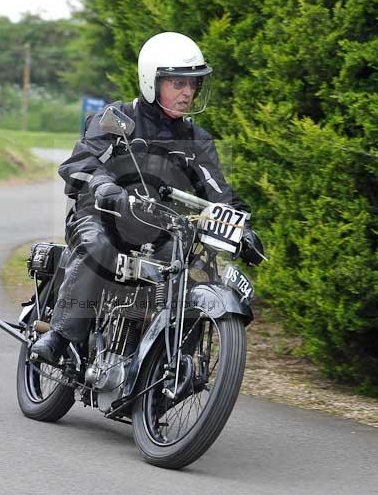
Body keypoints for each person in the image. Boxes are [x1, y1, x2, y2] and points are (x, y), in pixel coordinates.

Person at [31, 31, 264, 364]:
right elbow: (79, 164)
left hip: (159, 231)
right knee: (99, 246)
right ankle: (61, 335)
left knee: (193, 269)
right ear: (151, 81)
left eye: (193, 84)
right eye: (177, 83)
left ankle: (162, 366)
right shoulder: (117, 119)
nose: (188, 92)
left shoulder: (197, 140)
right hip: (100, 217)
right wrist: (105, 187)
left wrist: (241, 227)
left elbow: (219, 193)